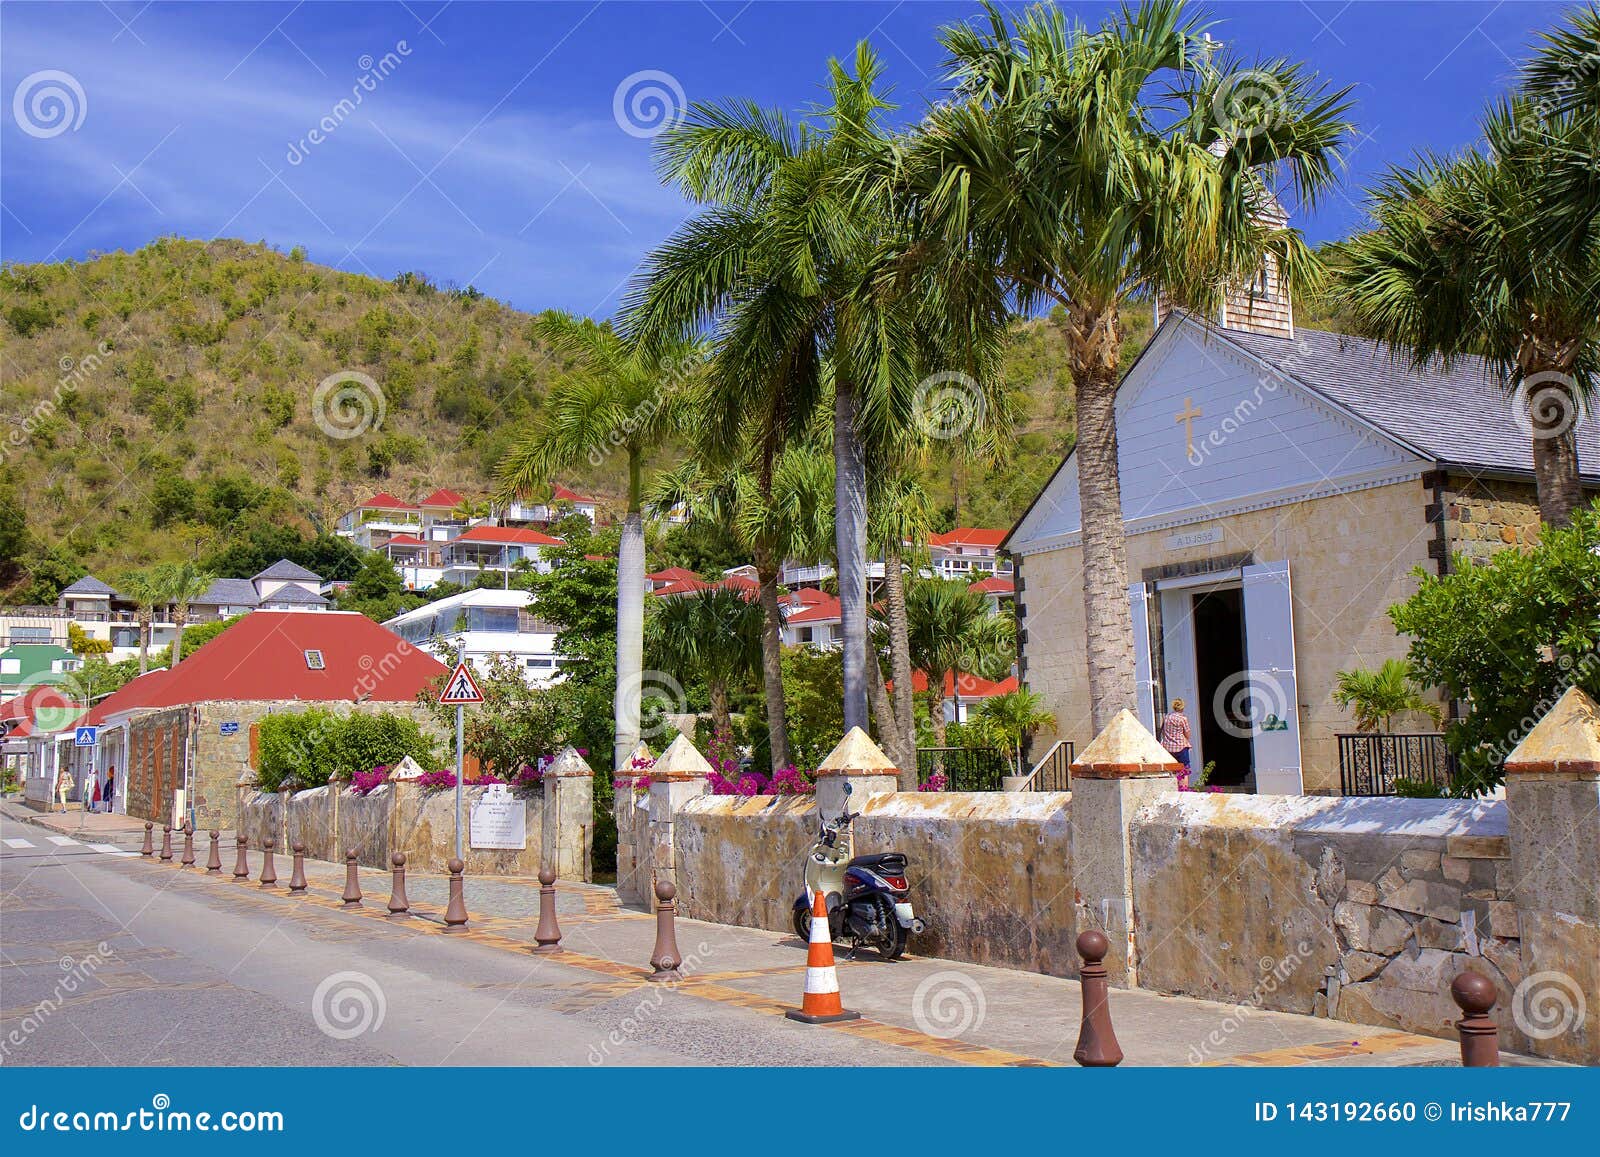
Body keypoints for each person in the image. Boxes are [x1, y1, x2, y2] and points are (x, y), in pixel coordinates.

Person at [1158, 698, 1192, 771]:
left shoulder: (1167, 717)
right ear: (1182, 707)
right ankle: (1183, 783)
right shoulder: (1182, 718)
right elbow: (1188, 734)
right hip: (1181, 747)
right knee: (1185, 770)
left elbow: (1162, 731)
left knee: (1171, 770)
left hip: (1168, 747)